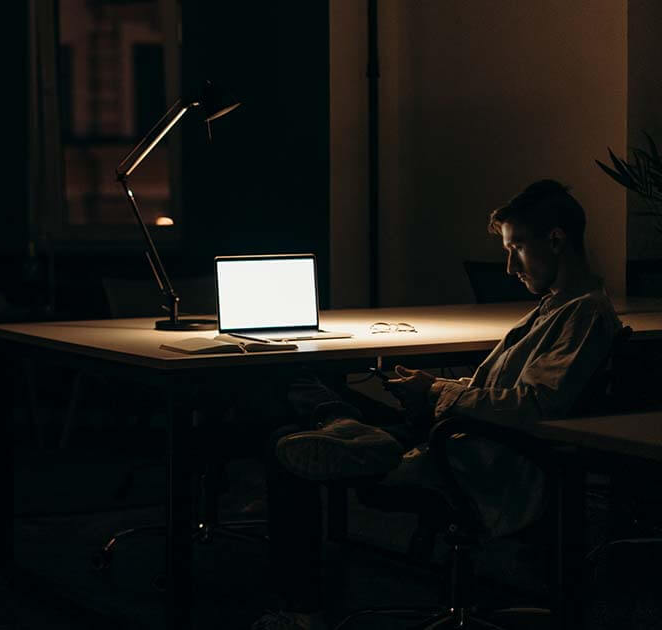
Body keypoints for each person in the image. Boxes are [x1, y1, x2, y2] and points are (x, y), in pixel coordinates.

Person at [251, 179, 623, 630]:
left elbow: (533, 407)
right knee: (293, 376)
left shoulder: (583, 314)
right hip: (459, 435)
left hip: (471, 459)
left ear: (557, 240)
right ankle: (344, 422)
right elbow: (511, 390)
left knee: (283, 445)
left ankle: (302, 613)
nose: (509, 267)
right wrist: (434, 386)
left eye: (517, 248)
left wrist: (437, 393)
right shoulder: (555, 308)